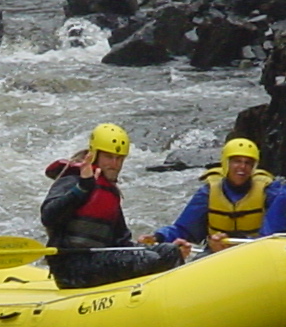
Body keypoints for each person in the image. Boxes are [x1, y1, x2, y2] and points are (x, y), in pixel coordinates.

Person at [40, 123, 190, 290]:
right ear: (95, 154)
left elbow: (122, 242)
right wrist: (82, 188)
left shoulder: (109, 192)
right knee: (149, 260)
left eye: (119, 158)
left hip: (100, 260)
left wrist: (155, 248)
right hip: (72, 268)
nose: (114, 164)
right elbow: (48, 216)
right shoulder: (73, 180)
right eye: (109, 157)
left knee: (168, 251)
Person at [147, 136, 274, 252]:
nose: (242, 167)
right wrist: (158, 236)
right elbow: (183, 229)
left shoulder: (268, 191)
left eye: (248, 163)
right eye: (237, 161)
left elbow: (277, 231)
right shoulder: (208, 192)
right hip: (216, 252)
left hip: (255, 253)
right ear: (226, 163)